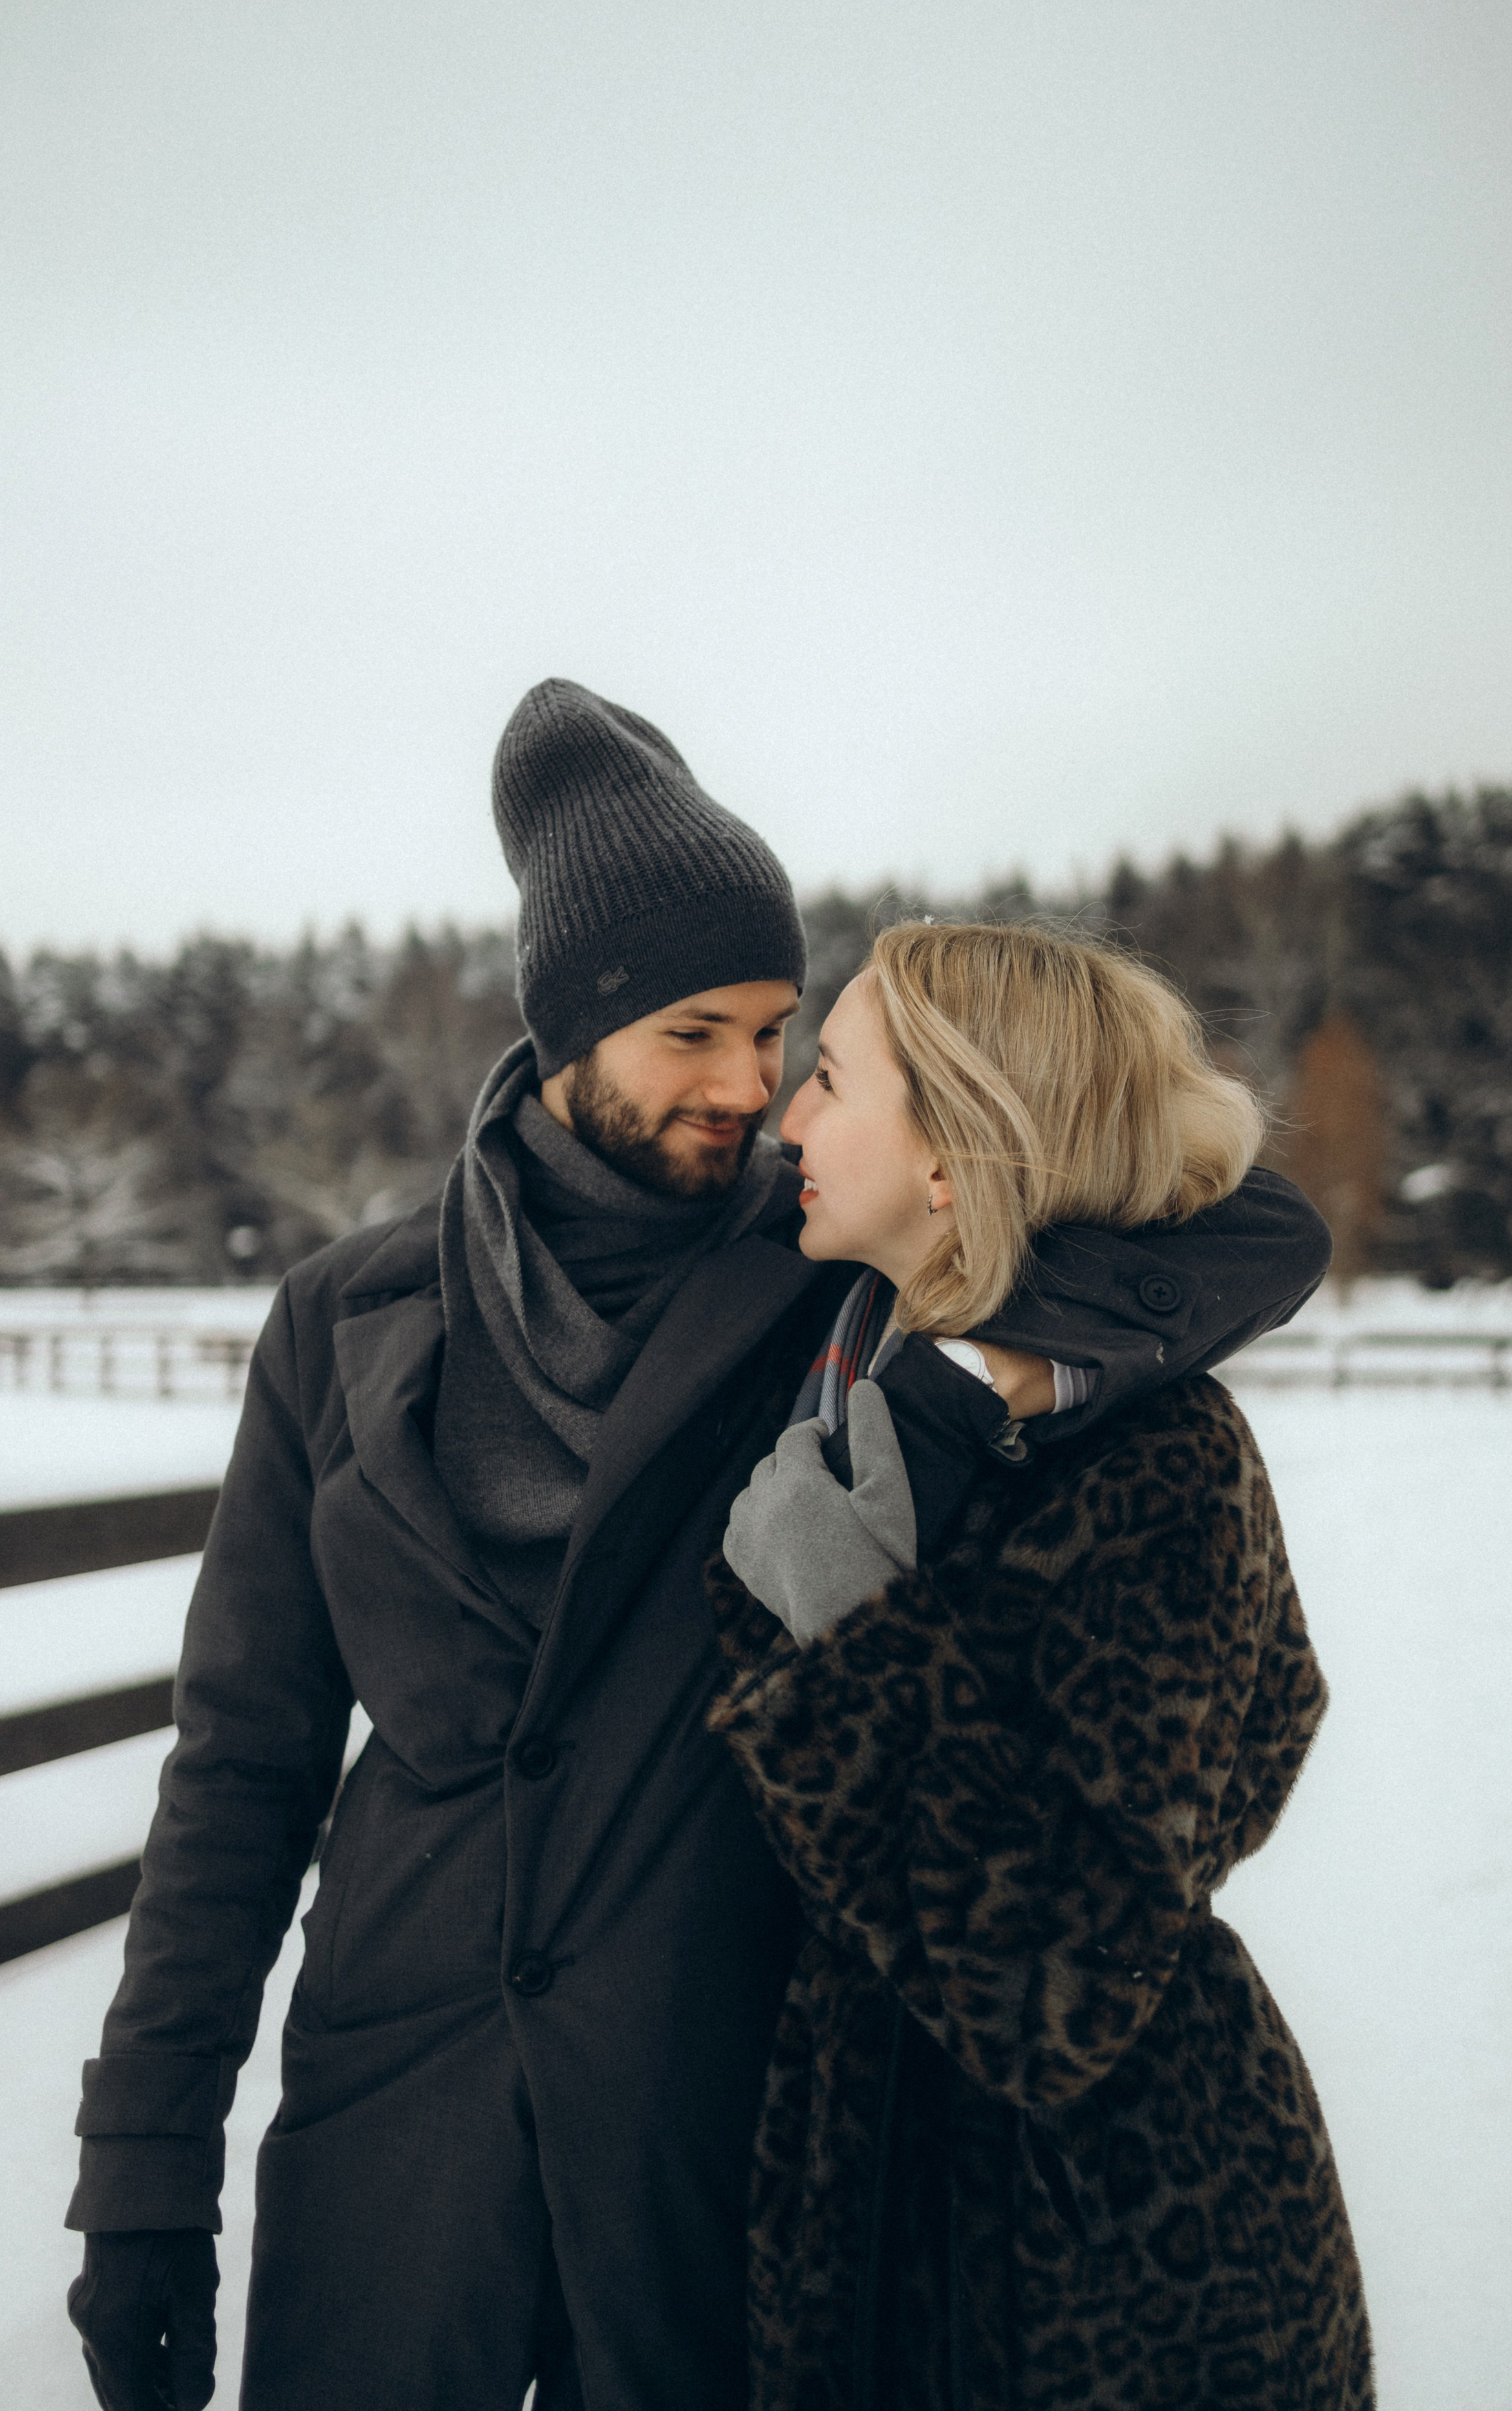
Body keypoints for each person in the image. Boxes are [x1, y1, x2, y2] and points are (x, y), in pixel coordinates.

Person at [64, 684, 1332, 2411]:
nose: (748, 1085)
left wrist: (1018, 1370)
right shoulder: (346, 1319)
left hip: (707, 2160)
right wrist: (142, 2175)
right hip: (391, 2145)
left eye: (777, 1031)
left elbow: (1246, 1220)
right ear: (567, 1032)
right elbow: (237, 1775)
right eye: (692, 1035)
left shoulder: (836, 1274)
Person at [710, 920, 1373, 2410]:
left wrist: (841, 1631)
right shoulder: (868, 1383)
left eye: (828, 1079)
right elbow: (1253, 1229)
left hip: (1107, 2263)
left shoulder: (1154, 1459)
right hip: (860, 2195)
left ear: (949, 1154)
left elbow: (1048, 1983)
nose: (786, 1118)